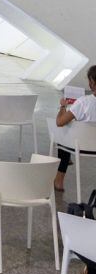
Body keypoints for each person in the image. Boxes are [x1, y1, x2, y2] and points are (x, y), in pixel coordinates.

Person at [53, 64, 96, 193]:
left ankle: (59, 181)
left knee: (64, 131)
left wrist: (63, 107)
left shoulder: (83, 102)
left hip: (81, 146)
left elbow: (60, 122)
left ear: (92, 83)